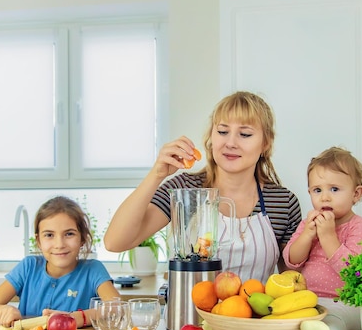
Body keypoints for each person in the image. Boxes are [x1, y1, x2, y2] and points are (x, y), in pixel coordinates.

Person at [105, 91, 302, 283]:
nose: (230, 142)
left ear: (266, 143)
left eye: (245, 134)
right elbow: (115, 242)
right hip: (188, 315)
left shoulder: (283, 202)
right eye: (222, 132)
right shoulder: (184, 190)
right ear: (211, 138)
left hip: (252, 316)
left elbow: (291, 282)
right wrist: (157, 174)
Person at [282, 146, 362, 330]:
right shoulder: (309, 223)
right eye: (317, 190)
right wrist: (307, 235)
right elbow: (291, 261)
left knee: (335, 322)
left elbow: (356, 272)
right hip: (307, 299)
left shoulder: (360, 227)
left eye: (334, 189)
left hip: (345, 303)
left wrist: (328, 237)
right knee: (279, 314)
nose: (325, 197)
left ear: (356, 193)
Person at [0, 196, 120, 327]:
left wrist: (76, 318)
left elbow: (117, 308)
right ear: (39, 241)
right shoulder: (28, 267)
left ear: (82, 238)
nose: (59, 244)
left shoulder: (93, 270)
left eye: (69, 234)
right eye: (49, 235)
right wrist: (2, 310)